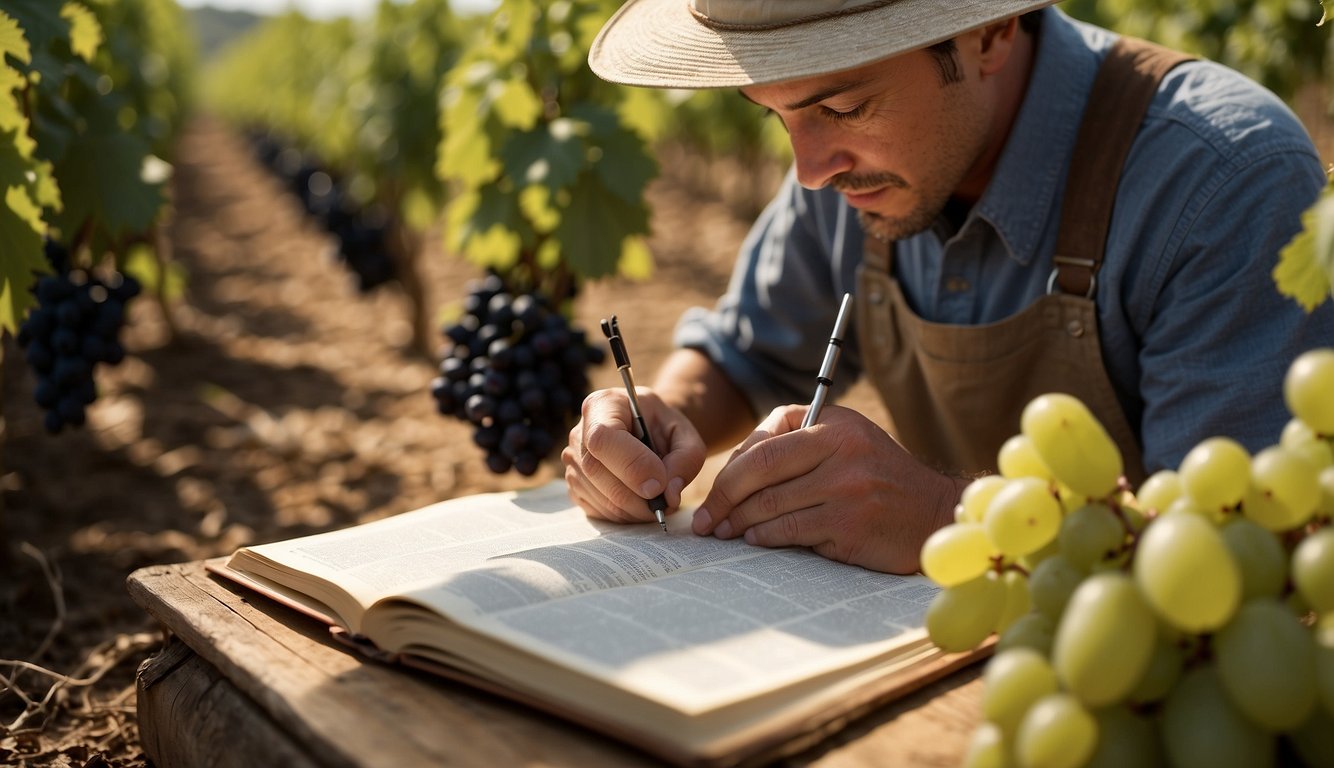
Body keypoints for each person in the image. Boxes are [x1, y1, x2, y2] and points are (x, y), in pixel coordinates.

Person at [561, 0, 1334, 575]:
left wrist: (942, 513)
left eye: (842, 105)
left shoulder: (1223, 180)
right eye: (775, 117)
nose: (808, 171)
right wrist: (660, 422)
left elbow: (1232, 545)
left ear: (991, 31)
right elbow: (744, 352)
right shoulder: (848, 173)